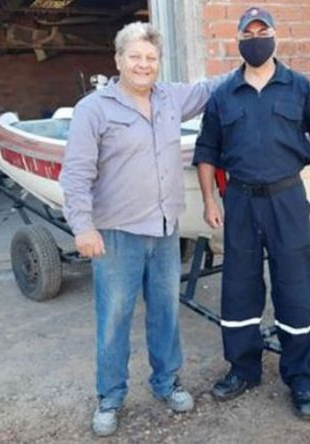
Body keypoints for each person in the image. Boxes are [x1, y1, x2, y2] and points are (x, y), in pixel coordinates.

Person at [192, 6, 310, 420]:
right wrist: (210, 199)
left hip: (287, 201)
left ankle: (301, 377)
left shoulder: (299, 88)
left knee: (296, 288)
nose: (255, 37)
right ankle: (243, 369)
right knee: (239, 288)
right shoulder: (223, 95)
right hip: (241, 203)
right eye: (247, 32)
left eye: (261, 30)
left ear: (274, 36)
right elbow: (206, 152)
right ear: (238, 40)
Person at [60, 22, 225, 437]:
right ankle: (110, 396)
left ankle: (166, 382)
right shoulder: (93, 109)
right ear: (118, 61)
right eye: (135, 57)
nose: (143, 65)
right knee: (115, 318)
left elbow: (210, 89)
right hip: (117, 233)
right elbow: (75, 174)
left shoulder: (170, 98)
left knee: (166, 313)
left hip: (165, 229)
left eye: (150, 59)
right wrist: (83, 227)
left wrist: (256, 61)